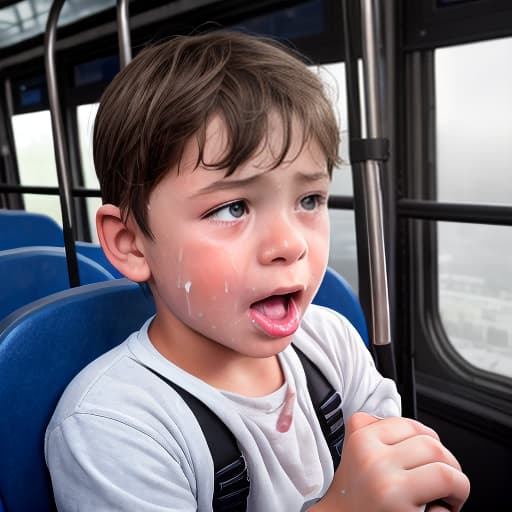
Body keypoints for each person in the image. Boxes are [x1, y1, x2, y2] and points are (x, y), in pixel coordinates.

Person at [45, 30, 469, 511]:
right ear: (131, 244)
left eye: (309, 200)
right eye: (232, 208)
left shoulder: (331, 344)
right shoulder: (112, 426)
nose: (290, 243)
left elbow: (400, 468)